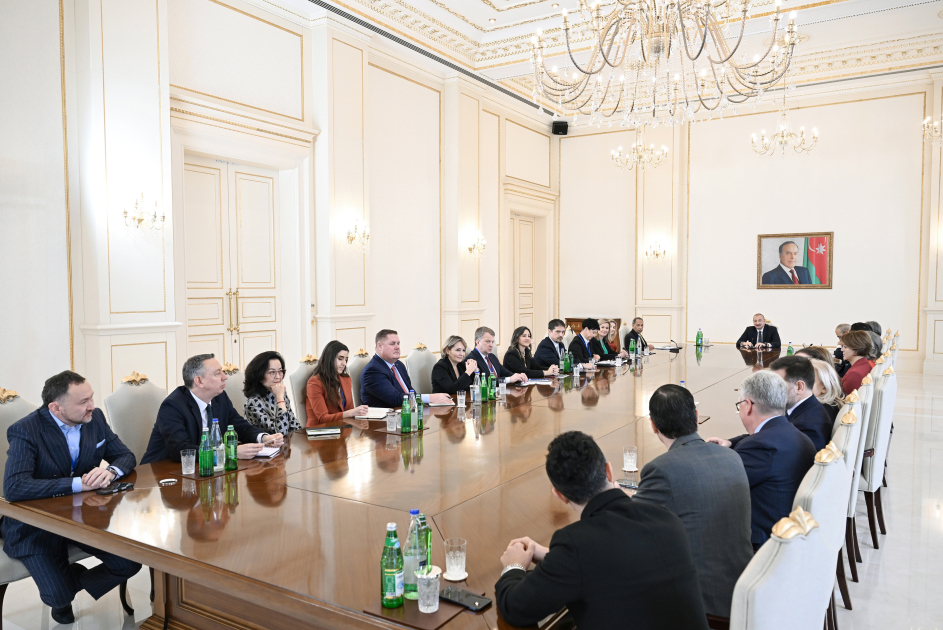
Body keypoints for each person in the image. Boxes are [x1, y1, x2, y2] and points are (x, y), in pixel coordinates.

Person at [494, 431, 708, 629]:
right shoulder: (666, 518)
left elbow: (516, 609)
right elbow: (617, 556)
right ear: (608, 471)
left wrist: (513, 566)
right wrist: (552, 556)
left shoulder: (575, 545)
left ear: (560, 495)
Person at [2, 371, 142, 624]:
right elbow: (14, 487)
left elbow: (125, 456)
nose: (92, 406)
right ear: (55, 408)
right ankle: (62, 589)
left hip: (83, 518)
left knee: (130, 562)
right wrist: (79, 484)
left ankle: (69, 579)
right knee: (58, 597)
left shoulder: (94, 418)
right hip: (36, 526)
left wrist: (110, 471)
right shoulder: (26, 430)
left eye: (91, 398)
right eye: (83, 402)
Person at [633, 385, 753, 618]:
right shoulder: (732, 456)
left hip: (703, 604)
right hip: (742, 589)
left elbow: (628, 527)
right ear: (697, 417)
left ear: (653, 425)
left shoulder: (661, 469)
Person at [707, 371, 815, 549]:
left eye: (740, 404)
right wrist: (731, 443)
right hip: (790, 533)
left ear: (748, 405)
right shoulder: (796, 435)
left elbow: (716, 487)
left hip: (762, 544)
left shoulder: (758, 447)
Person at [142, 354, 283, 464]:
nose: (225, 377)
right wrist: (230, 452)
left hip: (206, 470)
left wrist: (264, 437)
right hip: (162, 476)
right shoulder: (173, 406)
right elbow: (180, 450)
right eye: (217, 373)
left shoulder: (219, 398)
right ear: (199, 381)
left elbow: (239, 426)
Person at [360, 329, 453, 407]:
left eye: (398, 343)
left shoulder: (398, 365)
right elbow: (395, 399)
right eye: (392, 344)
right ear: (380, 346)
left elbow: (411, 393)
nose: (397, 347)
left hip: (408, 412)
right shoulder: (373, 371)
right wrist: (430, 398)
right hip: (386, 420)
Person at [770, 356, 834, 451]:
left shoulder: (806, 427)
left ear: (799, 387)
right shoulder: (807, 408)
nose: (772, 390)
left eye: (779, 385)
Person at [306, 340, 369, 426]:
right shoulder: (314, 383)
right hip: (320, 430)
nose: (344, 363)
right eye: (340, 359)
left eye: (346, 360)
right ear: (330, 358)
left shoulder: (346, 379)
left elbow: (349, 410)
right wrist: (351, 413)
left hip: (343, 428)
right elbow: (323, 418)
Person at [243, 351, 301, 436]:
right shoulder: (252, 403)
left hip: (287, 443)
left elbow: (295, 426)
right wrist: (280, 398)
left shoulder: (279, 393)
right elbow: (281, 432)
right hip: (267, 444)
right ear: (259, 375)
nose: (278, 376)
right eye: (272, 372)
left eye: (280, 371)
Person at [839, 330, 873, 395]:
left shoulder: (855, 374)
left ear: (856, 349)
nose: (842, 349)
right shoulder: (864, 364)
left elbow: (846, 398)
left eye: (845, 347)